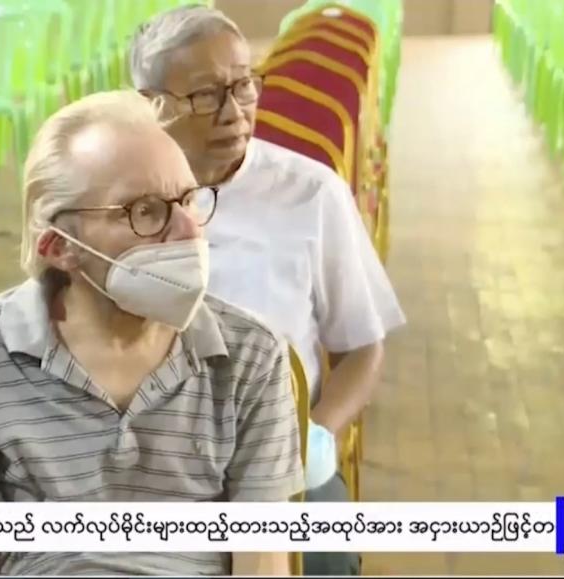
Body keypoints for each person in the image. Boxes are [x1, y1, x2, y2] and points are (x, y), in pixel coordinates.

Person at [0, 91, 304, 576]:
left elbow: (262, 563)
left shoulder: (251, 355)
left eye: (189, 200)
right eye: (145, 211)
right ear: (59, 247)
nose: (187, 230)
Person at [130, 5, 407, 575]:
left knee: (324, 555)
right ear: (149, 104)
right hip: (146, 459)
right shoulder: (113, 199)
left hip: (281, 458)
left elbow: (364, 348)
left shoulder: (310, 192)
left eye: (245, 87)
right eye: (207, 95)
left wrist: (319, 436)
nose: (235, 113)